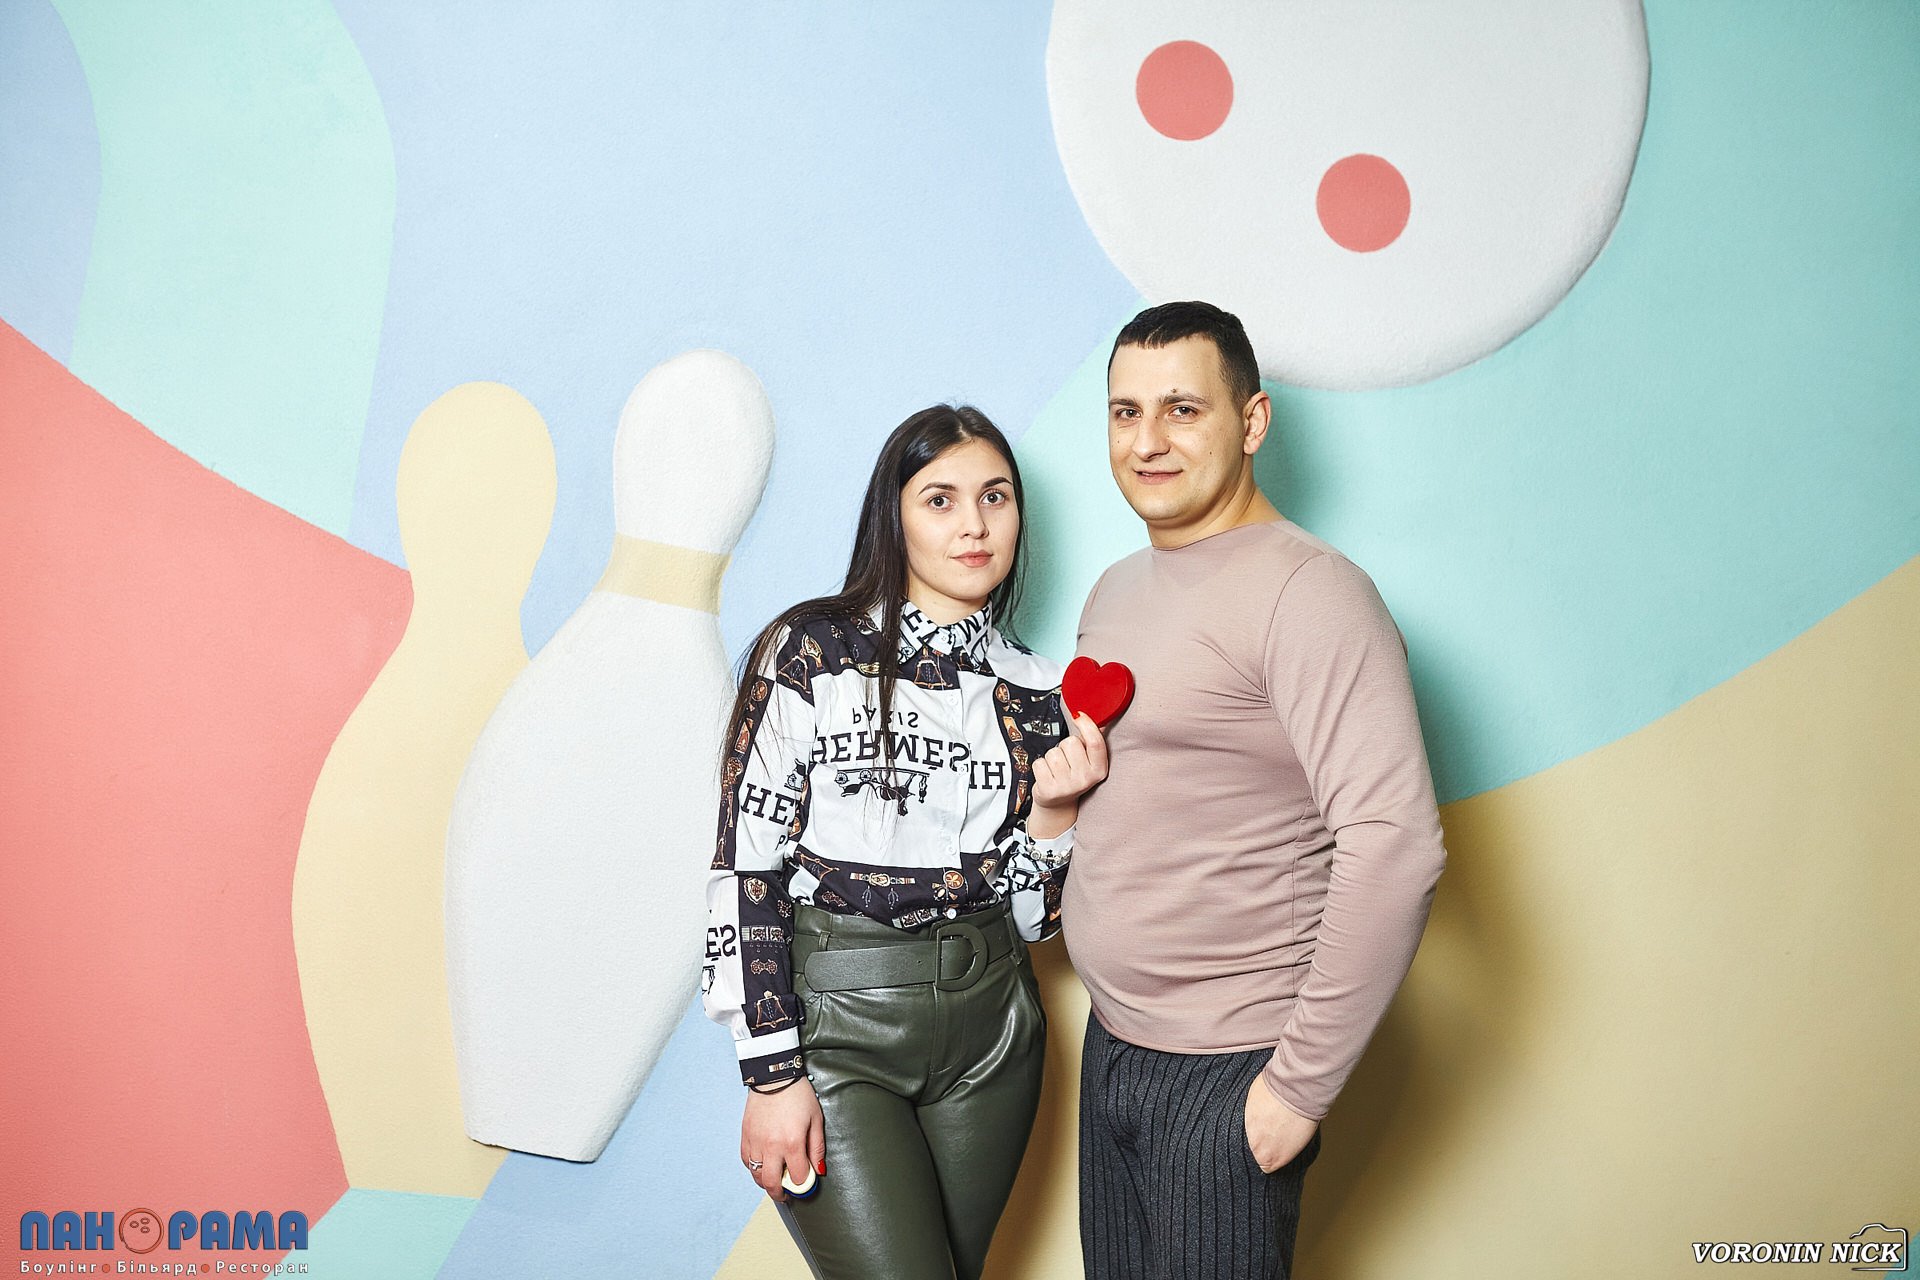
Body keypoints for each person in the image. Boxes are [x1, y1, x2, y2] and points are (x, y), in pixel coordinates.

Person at [1067, 301, 1448, 1280]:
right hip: (1111, 1047)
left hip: (1232, 1070)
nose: (1147, 440)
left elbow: (1396, 842)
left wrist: (1297, 1088)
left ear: (1252, 421)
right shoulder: (1113, 589)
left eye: (1182, 408)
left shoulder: (1310, 591)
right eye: (1125, 411)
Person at [701, 404, 1109, 1280]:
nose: (974, 525)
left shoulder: (1040, 690)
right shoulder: (811, 650)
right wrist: (770, 1072)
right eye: (940, 499)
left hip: (993, 1034)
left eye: (995, 497)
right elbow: (747, 866)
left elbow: (1034, 926)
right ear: (894, 516)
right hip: (840, 1025)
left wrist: (1055, 814)